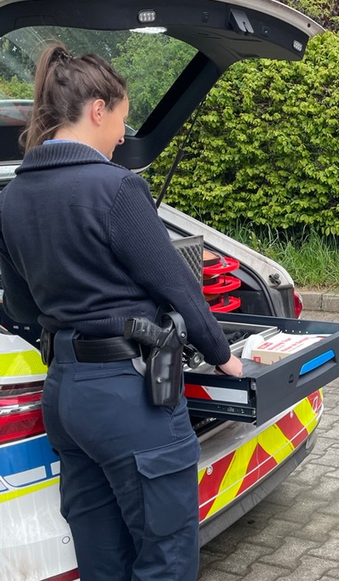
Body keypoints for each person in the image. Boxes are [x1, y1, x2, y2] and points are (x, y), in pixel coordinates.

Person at [0, 44, 242, 581]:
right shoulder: (116, 187)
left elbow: (20, 306)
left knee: (100, 554)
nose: (123, 138)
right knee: (166, 554)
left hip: (65, 393)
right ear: (97, 110)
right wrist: (223, 355)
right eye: (124, 121)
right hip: (129, 394)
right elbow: (177, 284)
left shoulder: (11, 199)